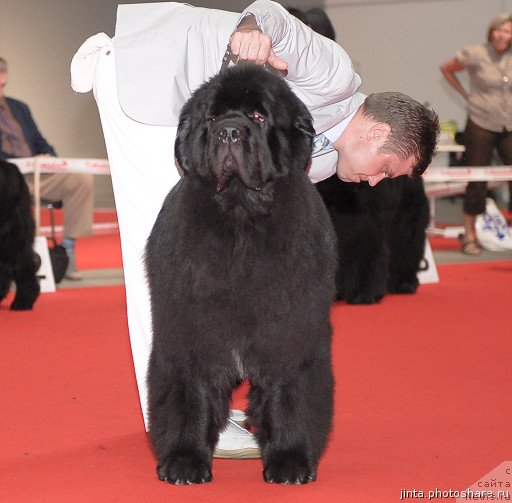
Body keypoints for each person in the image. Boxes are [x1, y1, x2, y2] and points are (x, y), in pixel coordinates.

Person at [70, 0, 438, 453]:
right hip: (151, 78)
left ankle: (209, 399)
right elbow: (272, 13)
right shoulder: (335, 74)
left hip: (187, 110)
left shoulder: (319, 160)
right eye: (387, 169)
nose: (378, 181)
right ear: (379, 134)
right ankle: (182, 420)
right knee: (169, 258)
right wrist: (251, 29)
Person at [0, 56, 94, 279]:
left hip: (37, 174)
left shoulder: (19, 108)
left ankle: (67, 249)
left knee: (81, 178)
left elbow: (41, 141)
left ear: (5, 77)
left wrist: (48, 156)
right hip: (8, 179)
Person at [440, 13, 512, 255]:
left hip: (508, 124)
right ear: (492, 32)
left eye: (509, 32)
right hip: (481, 121)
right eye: (500, 31)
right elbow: (446, 68)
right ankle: (469, 236)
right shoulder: (475, 53)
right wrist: (465, 95)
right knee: (477, 179)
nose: (504, 36)